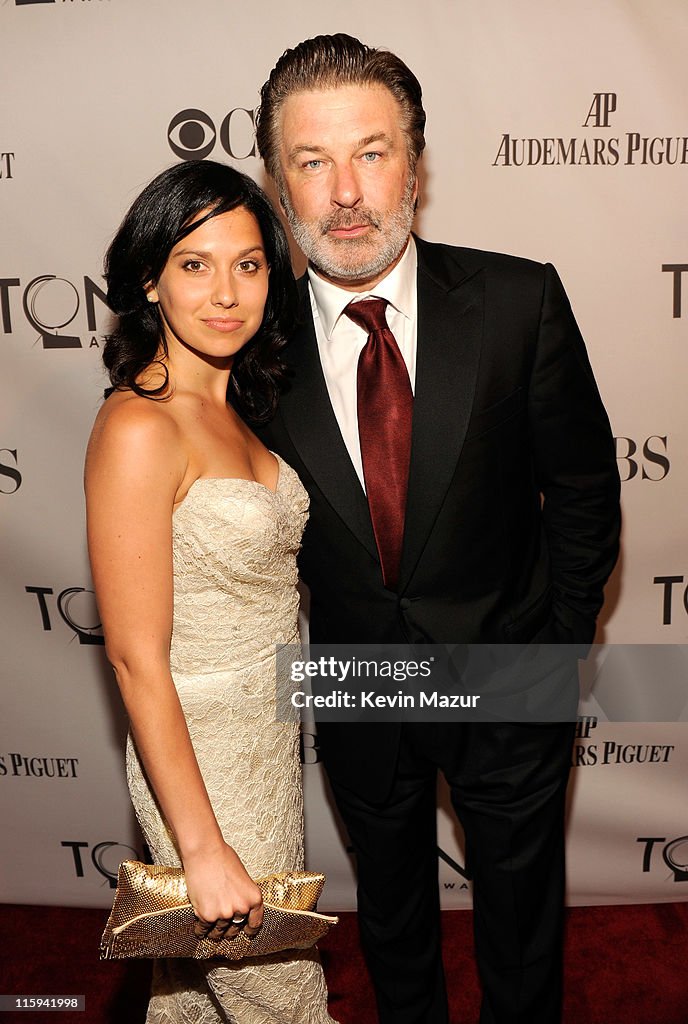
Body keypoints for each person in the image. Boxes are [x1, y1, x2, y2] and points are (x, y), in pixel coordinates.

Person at [255, 34, 621, 1024]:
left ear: (415, 163)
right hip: (355, 681)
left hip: (509, 672)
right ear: (274, 178)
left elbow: (583, 484)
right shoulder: (249, 349)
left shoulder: (516, 302)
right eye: (311, 160)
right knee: (394, 915)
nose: (344, 192)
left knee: (519, 918)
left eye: (371, 152)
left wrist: (559, 643)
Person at [85, 160, 336, 1024]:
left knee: (195, 998)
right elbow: (133, 657)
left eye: (249, 262)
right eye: (195, 264)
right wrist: (200, 847)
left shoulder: (236, 410)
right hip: (199, 757)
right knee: (283, 997)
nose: (226, 292)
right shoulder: (138, 425)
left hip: (262, 741)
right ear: (150, 279)